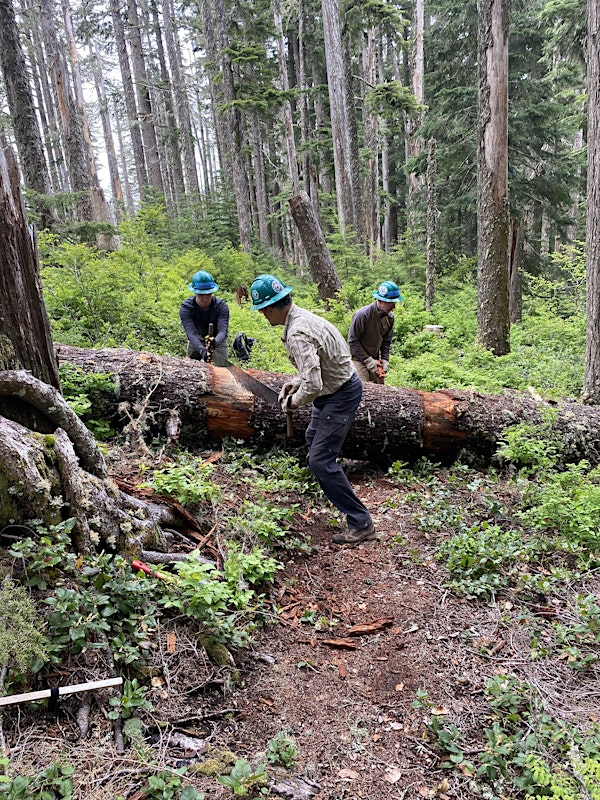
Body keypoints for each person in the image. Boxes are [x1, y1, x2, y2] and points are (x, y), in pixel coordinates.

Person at [250, 273, 374, 546]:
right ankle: (328, 484)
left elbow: (315, 383)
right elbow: (316, 367)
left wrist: (293, 402)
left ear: (271, 307)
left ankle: (360, 522)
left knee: (321, 460)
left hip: (338, 395)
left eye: (262, 311)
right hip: (334, 388)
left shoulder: (297, 332)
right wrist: (295, 383)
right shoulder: (302, 317)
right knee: (312, 441)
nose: (263, 316)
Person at [347, 280, 403, 383]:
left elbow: (386, 341)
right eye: (391, 303)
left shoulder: (390, 317)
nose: (394, 307)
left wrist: (385, 360)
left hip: (375, 359)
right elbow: (352, 340)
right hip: (357, 359)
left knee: (380, 389)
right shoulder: (362, 315)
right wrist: (367, 360)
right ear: (381, 300)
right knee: (363, 388)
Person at [180, 270, 229, 362]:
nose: (205, 299)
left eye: (208, 294)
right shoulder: (186, 308)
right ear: (195, 292)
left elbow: (223, 331)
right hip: (196, 338)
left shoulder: (222, 307)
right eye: (201, 295)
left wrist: (215, 342)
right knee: (190, 368)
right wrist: (202, 350)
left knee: (224, 369)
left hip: (217, 339)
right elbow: (191, 333)